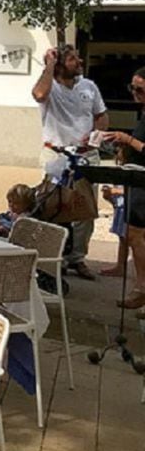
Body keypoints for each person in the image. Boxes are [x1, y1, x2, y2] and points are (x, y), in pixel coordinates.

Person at [32, 44, 108, 279]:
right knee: (54, 207)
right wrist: (49, 65)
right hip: (56, 154)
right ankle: (57, 257)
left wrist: (96, 136)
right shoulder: (50, 85)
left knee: (85, 210)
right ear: (61, 65)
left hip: (86, 156)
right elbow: (39, 95)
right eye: (73, 59)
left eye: (78, 58)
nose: (80, 62)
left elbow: (101, 116)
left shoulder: (89, 87)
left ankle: (78, 257)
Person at [102, 66, 145, 308]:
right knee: (133, 233)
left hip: (143, 184)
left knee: (135, 234)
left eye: (140, 89)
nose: (135, 94)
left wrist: (128, 140)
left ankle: (142, 288)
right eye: (133, 88)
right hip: (136, 181)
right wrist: (126, 148)